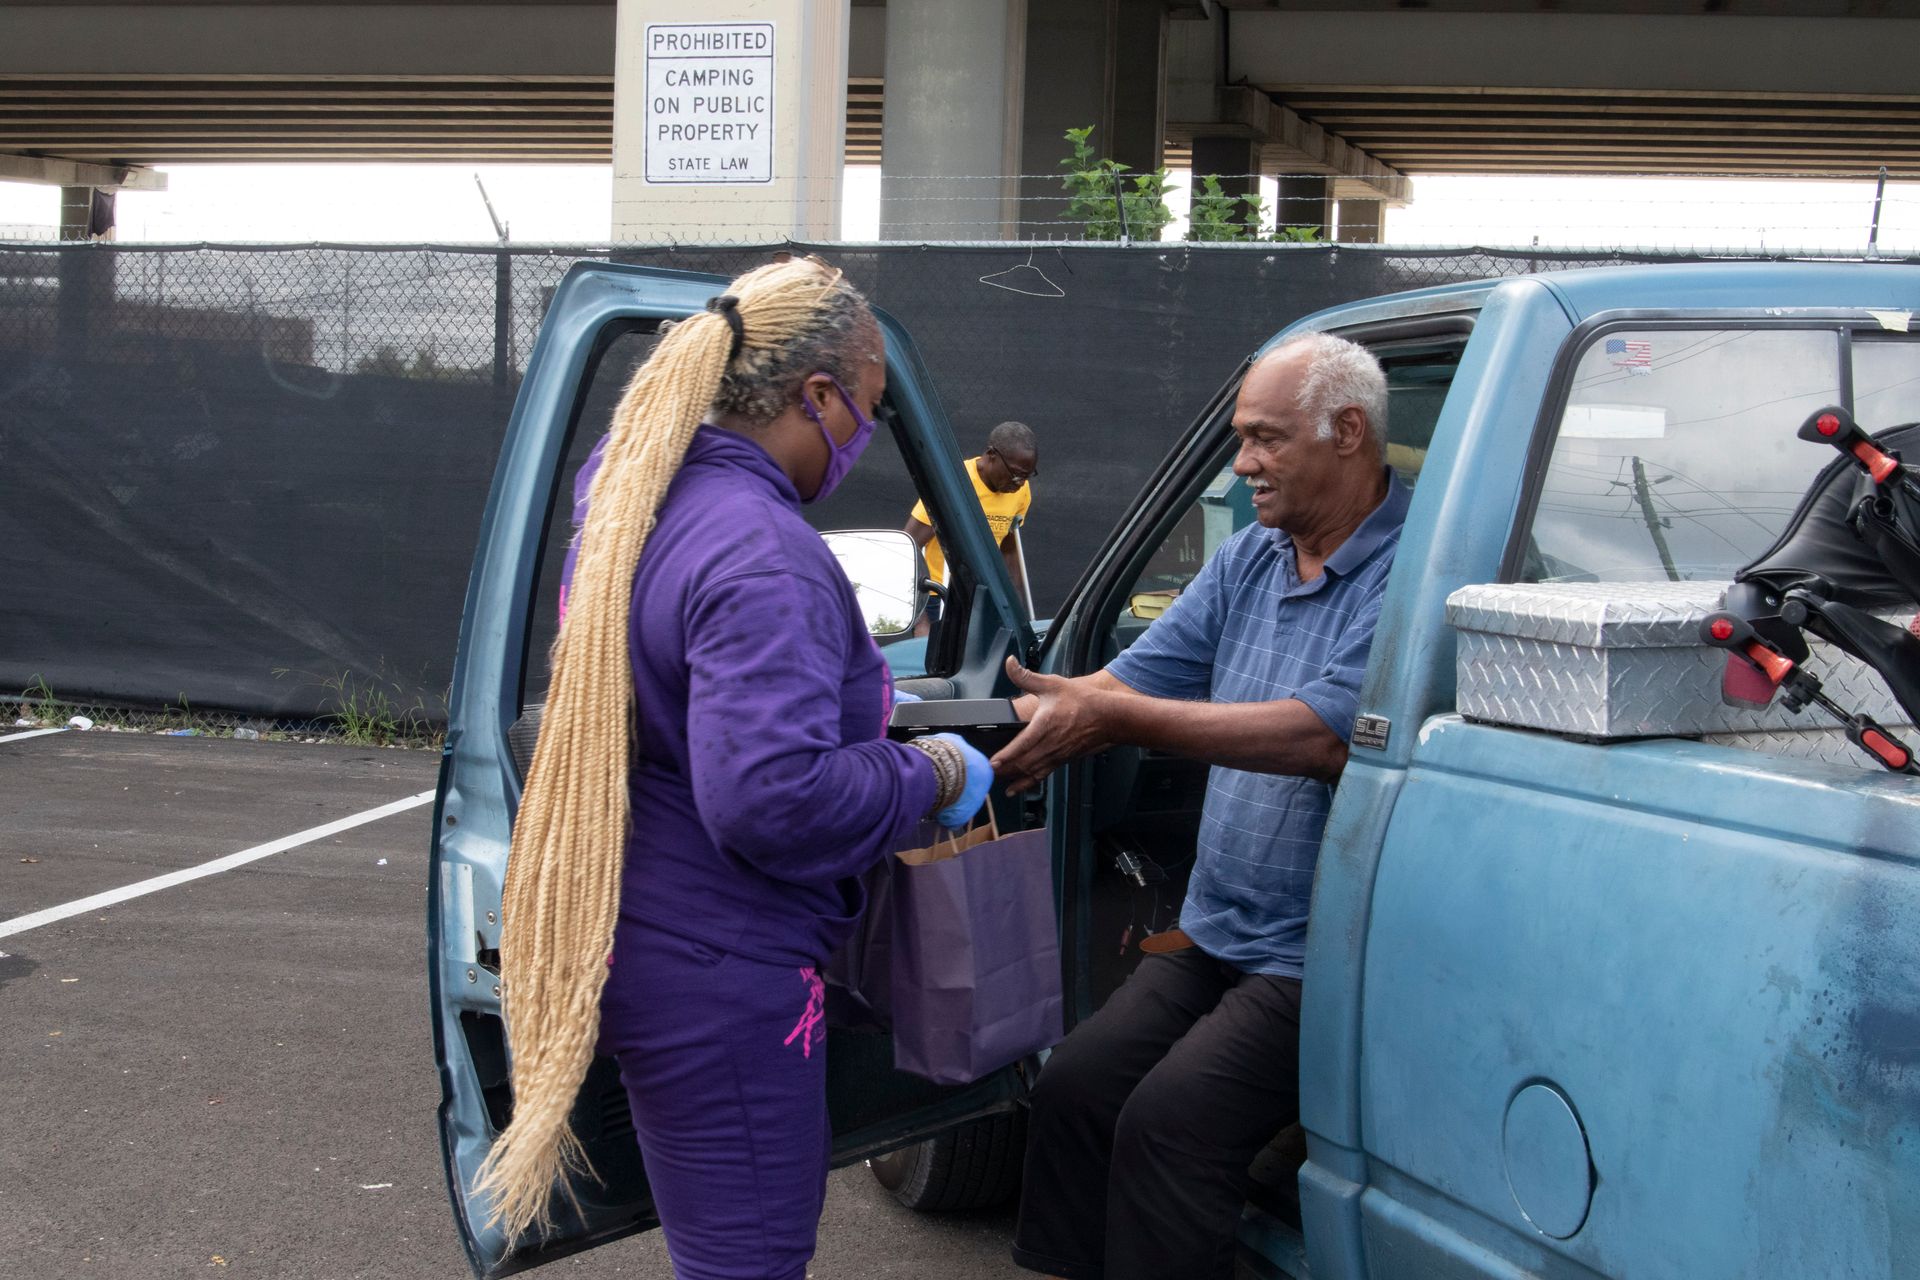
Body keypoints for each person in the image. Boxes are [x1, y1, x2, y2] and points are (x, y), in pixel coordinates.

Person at [474, 257, 993, 1280]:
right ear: (816, 396)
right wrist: (928, 770)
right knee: (748, 1262)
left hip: (637, 931)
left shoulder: (637, 498)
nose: (860, 439)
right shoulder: (762, 549)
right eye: (870, 413)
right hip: (722, 976)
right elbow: (772, 796)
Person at [990, 333, 1409, 1280]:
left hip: (1320, 959)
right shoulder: (1253, 558)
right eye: (1239, 438)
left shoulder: (1407, 573)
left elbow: (1322, 736)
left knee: (1171, 1126)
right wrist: (986, 728)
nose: (1244, 464)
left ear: (1347, 432)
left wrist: (1108, 714)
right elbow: (1125, 682)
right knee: (1076, 1089)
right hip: (1220, 930)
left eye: (1264, 439)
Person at [904, 420, 1038, 631]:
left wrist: (1017, 608)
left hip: (981, 595)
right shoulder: (953, 482)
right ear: (991, 454)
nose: (1019, 482)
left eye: (1026, 476)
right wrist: (919, 618)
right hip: (938, 596)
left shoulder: (1021, 492)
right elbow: (908, 545)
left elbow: (1010, 551)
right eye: (1015, 473)